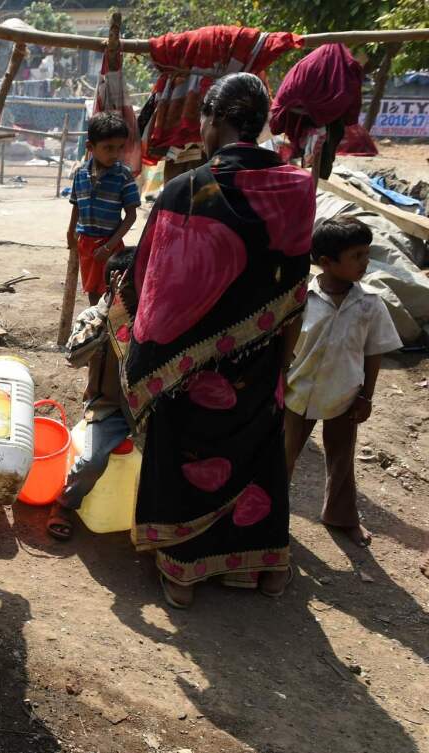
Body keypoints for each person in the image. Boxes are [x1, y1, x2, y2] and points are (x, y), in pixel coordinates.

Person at [108, 73, 315, 609]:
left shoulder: (187, 189)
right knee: (255, 449)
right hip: (262, 357)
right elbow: (293, 285)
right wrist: (282, 361)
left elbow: (154, 283)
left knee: (186, 446)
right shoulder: (297, 188)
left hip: (189, 368)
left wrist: (143, 352)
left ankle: (183, 570)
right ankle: (261, 564)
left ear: (215, 121)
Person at [284, 218, 401, 548]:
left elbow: (374, 352)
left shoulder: (369, 305)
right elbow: (286, 341)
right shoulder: (302, 297)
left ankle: (341, 517)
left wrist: (367, 396)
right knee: (284, 456)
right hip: (299, 392)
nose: (365, 263)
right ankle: (273, 514)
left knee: (341, 457)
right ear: (326, 262)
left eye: (367, 254)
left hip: (344, 394)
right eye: (357, 256)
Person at [48, 251, 135, 542]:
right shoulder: (93, 317)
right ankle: (65, 504)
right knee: (92, 461)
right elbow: (73, 357)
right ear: (113, 285)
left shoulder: (153, 317)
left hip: (146, 408)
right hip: (109, 408)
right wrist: (109, 318)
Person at [67, 111, 140, 305]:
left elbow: (131, 216)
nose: (115, 154)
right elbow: (76, 205)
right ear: (90, 147)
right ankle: (98, 326)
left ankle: (110, 330)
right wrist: (70, 231)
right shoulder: (80, 173)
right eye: (108, 148)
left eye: (119, 148)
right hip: (86, 244)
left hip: (111, 243)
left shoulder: (123, 175)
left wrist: (108, 247)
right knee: (92, 291)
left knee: (113, 291)